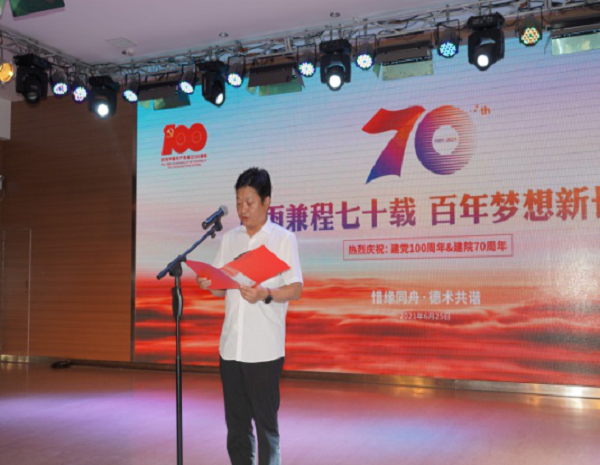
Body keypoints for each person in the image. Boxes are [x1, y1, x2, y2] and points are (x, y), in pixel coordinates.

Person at [197, 167, 303, 465]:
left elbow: (295, 289)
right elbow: (221, 290)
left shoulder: (283, 239)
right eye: (238, 202)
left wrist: (264, 293)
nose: (243, 209)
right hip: (231, 348)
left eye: (249, 202)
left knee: (266, 427)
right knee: (237, 426)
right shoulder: (230, 239)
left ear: (266, 201)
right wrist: (208, 283)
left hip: (264, 350)